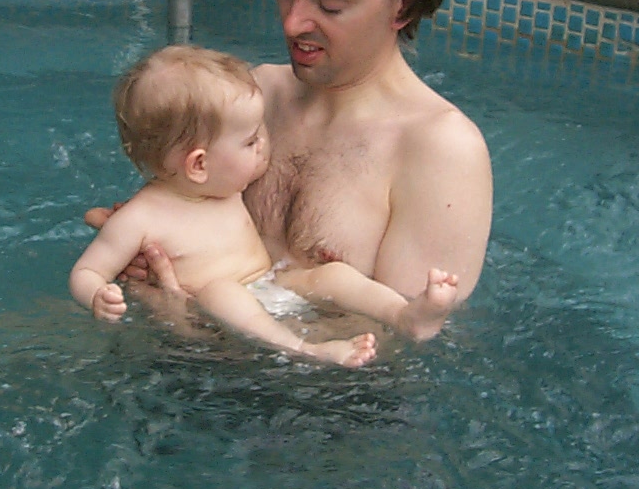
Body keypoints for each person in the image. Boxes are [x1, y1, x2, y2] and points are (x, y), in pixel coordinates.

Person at [88, 0, 493, 341]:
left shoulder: (440, 149)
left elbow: (399, 352)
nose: (293, 22)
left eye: (329, 4)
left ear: (401, 4)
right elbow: (167, 216)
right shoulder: (254, 97)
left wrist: (196, 326)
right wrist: (141, 268)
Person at [69, 45, 462, 367]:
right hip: (219, 308)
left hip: (272, 282)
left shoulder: (226, 184)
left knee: (333, 275)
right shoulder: (141, 217)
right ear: (199, 165)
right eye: (250, 141)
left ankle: (404, 315)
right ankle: (306, 350)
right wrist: (98, 296)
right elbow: (88, 270)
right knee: (220, 292)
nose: (263, 146)